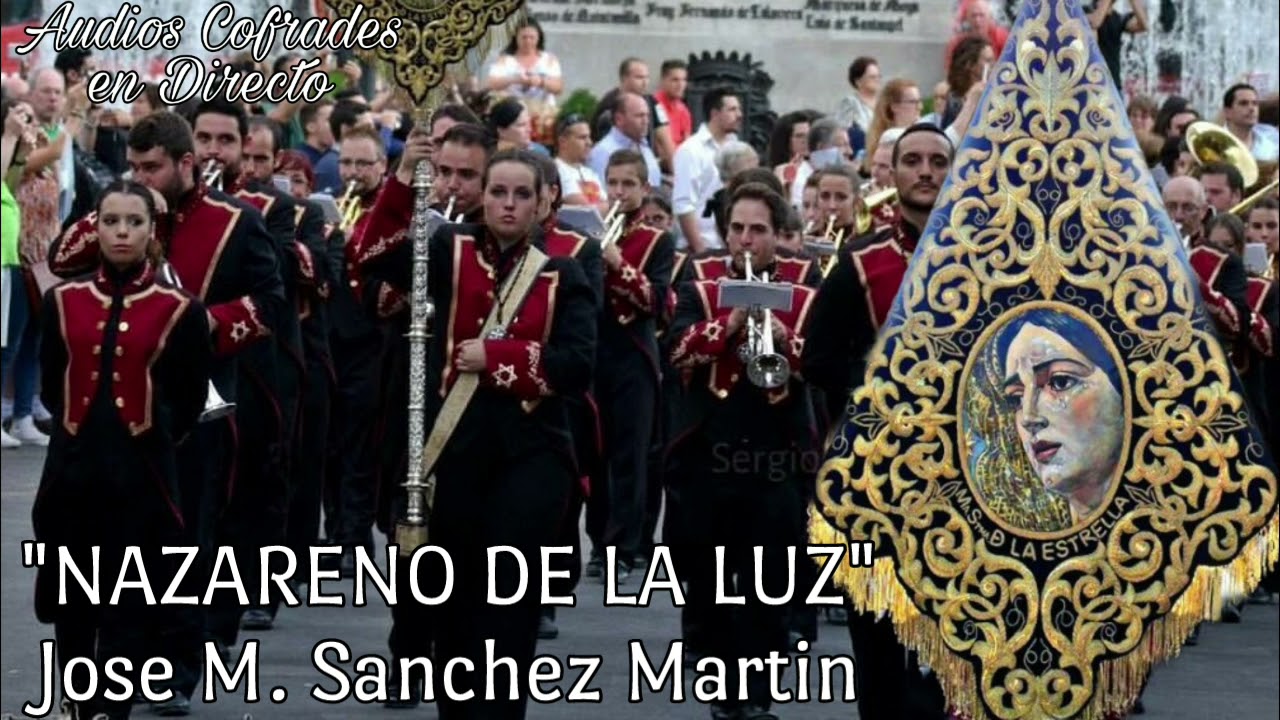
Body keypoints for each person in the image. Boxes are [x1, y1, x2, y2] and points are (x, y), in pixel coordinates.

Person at [49, 110, 286, 712]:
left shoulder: (236, 222)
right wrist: (125, 202)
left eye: (153, 167)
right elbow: (65, 253)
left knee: (188, 540)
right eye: (134, 166)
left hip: (199, 401)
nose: (141, 175)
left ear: (184, 165)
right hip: (117, 413)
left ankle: (176, 666)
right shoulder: (125, 212)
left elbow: (271, 303)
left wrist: (207, 326)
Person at [359, 148, 597, 719]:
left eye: (521, 195)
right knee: (454, 602)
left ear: (544, 203)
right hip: (453, 452)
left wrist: (495, 357)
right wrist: (396, 180)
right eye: (497, 193)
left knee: (507, 604)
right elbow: (371, 254)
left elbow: (576, 366)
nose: (507, 205)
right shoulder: (449, 250)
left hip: (532, 457)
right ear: (482, 196)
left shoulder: (566, 272)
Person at [33, 180, 212, 720]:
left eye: (134, 222)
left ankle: (114, 707)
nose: (122, 232)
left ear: (151, 231)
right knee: (72, 599)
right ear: (95, 226)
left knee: (128, 601)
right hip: (72, 472)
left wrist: (154, 434)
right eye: (111, 220)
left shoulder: (179, 308)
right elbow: (49, 382)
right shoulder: (62, 301)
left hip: (142, 477)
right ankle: (77, 701)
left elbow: (188, 393)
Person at [801, 123, 957, 720]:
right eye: (911, 160)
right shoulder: (862, 262)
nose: (925, 171)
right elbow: (817, 357)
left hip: (965, 475)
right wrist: (877, 399)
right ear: (890, 175)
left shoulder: (991, 255)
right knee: (876, 626)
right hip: (875, 476)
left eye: (937, 161)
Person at [666, 182, 819, 720]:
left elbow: (821, 363)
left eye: (758, 231)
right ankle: (720, 683)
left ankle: (755, 690)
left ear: (779, 236)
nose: (746, 242)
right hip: (708, 448)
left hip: (777, 449)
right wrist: (726, 326)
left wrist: (782, 337)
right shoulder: (700, 281)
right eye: (737, 229)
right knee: (708, 578)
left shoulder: (806, 283)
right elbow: (676, 349)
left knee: (771, 577)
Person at [585, 148, 675, 579]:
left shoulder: (659, 240)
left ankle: (624, 544)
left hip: (635, 354)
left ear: (643, 187)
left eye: (627, 185)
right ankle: (598, 540)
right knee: (595, 452)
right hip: (597, 348)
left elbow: (655, 303)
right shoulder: (596, 230)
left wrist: (619, 265)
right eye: (613, 183)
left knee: (630, 454)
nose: (618, 193)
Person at [485, 17, 564, 105]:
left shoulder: (549, 59)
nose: (528, 41)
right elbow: (492, 84)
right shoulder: (504, 60)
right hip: (512, 113)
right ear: (516, 37)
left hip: (543, 111)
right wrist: (515, 79)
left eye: (532, 37)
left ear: (538, 38)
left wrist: (541, 82)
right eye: (524, 37)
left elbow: (558, 88)